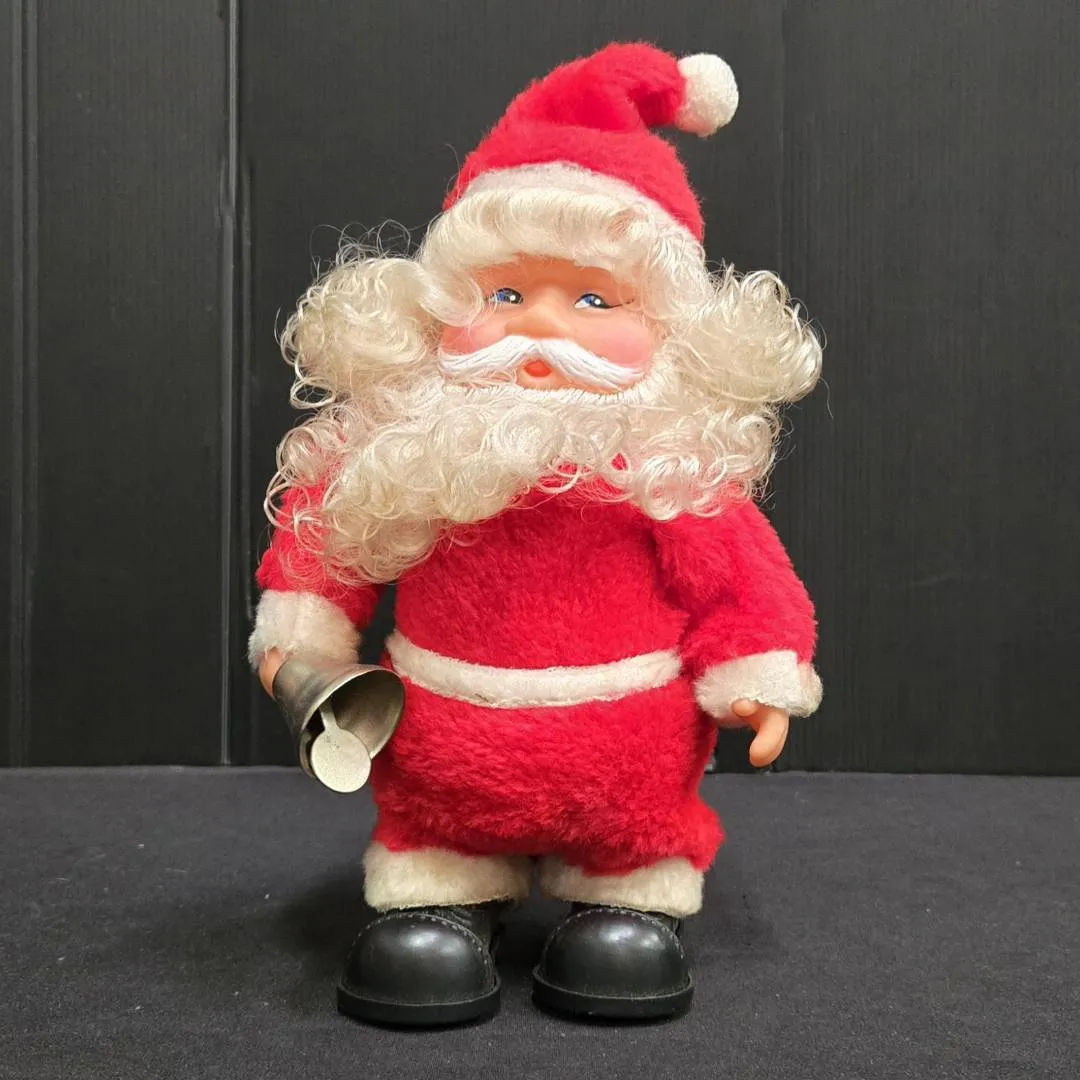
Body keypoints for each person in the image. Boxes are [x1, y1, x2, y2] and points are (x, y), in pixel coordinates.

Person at [250, 42, 823, 1025]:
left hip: (627, 755)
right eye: (504, 295)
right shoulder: (406, 451)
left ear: (672, 332)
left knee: (625, 900)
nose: (541, 330)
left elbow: (741, 580)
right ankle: (443, 894)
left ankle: (625, 899)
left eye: (594, 299)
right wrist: (300, 646)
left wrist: (760, 679)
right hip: (444, 752)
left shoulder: (668, 465)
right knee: (430, 886)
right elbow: (326, 549)